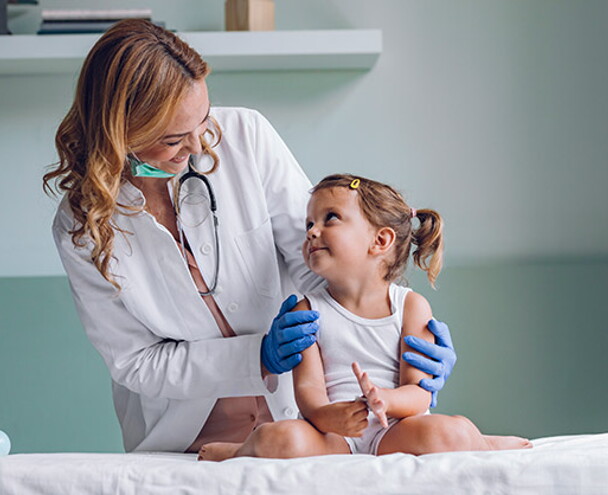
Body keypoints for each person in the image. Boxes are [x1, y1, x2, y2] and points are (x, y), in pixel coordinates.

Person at [42, 19, 456, 454]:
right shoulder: (80, 227)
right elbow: (137, 362)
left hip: (302, 418)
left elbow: (321, 265)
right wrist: (258, 355)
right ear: (119, 135)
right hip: (181, 435)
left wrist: (395, 344)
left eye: (202, 121)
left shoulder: (245, 138)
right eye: (174, 140)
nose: (201, 147)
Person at [198, 174, 531, 460]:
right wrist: (330, 417)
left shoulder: (410, 307)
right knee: (279, 438)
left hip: (396, 430)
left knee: (450, 431)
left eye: (330, 218)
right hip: (335, 435)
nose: (312, 231)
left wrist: (384, 400)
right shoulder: (307, 310)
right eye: (309, 224)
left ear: (380, 240)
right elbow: (309, 392)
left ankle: (484, 443)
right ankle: (238, 451)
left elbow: (419, 393)